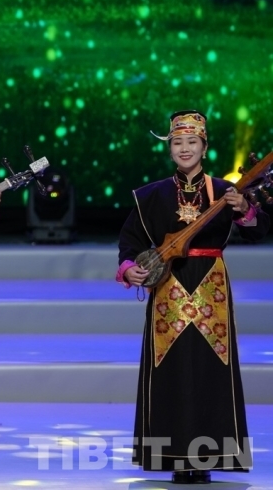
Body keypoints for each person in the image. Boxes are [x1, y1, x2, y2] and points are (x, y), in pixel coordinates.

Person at [117, 110, 269, 484]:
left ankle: (207, 457)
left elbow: (257, 230)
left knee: (209, 368)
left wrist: (245, 210)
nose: (184, 149)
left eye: (192, 142)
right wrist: (129, 269)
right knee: (169, 369)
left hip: (210, 286)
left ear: (204, 146)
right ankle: (172, 456)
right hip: (167, 285)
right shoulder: (151, 195)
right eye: (178, 143)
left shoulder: (225, 191)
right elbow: (130, 243)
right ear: (170, 148)